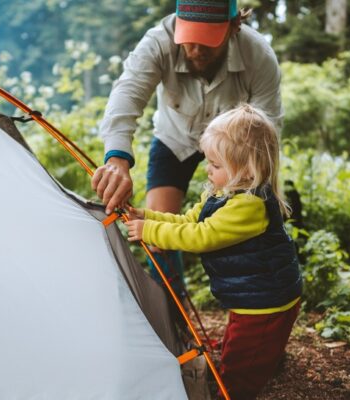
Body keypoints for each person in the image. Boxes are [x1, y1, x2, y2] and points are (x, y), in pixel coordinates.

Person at [91, 0, 283, 296]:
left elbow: (268, 132)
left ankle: (253, 296)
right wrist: (117, 159)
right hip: (174, 138)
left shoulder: (259, 55)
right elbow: (126, 95)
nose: (195, 50)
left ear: (234, 26)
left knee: (247, 224)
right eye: (189, 39)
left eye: (208, 41)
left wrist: (263, 191)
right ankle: (174, 314)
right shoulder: (158, 41)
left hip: (235, 152)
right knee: (157, 237)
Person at [124, 105, 302, 399]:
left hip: (267, 302)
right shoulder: (221, 195)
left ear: (245, 169)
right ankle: (237, 371)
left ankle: (232, 392)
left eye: (216, 165)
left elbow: (201, 237)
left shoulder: (249, 206)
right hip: (250, 296)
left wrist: (149, 232)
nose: (208, 169)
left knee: (243, 366)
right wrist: (148, 216)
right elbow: (188, 221)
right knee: (236, 343)